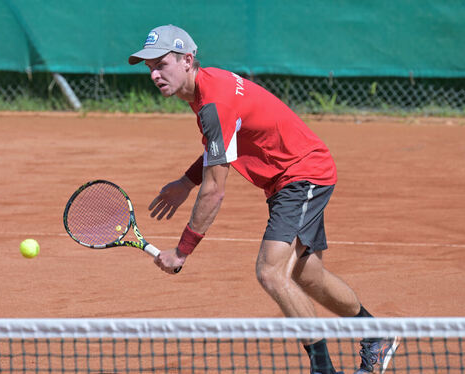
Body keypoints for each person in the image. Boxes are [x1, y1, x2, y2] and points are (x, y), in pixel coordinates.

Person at [128, 24, 399, 374]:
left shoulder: (212, 102)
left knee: (270, 272)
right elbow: (224, 145)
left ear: (187, 60)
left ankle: (323, 369)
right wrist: (185, 181)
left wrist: (181, 252)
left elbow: (216, 190)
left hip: (303, 174)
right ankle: (377, 334)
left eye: (161, 64)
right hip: (289, 177)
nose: (154, 74)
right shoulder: (209, 87)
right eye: (149, 67)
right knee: (306, 275)